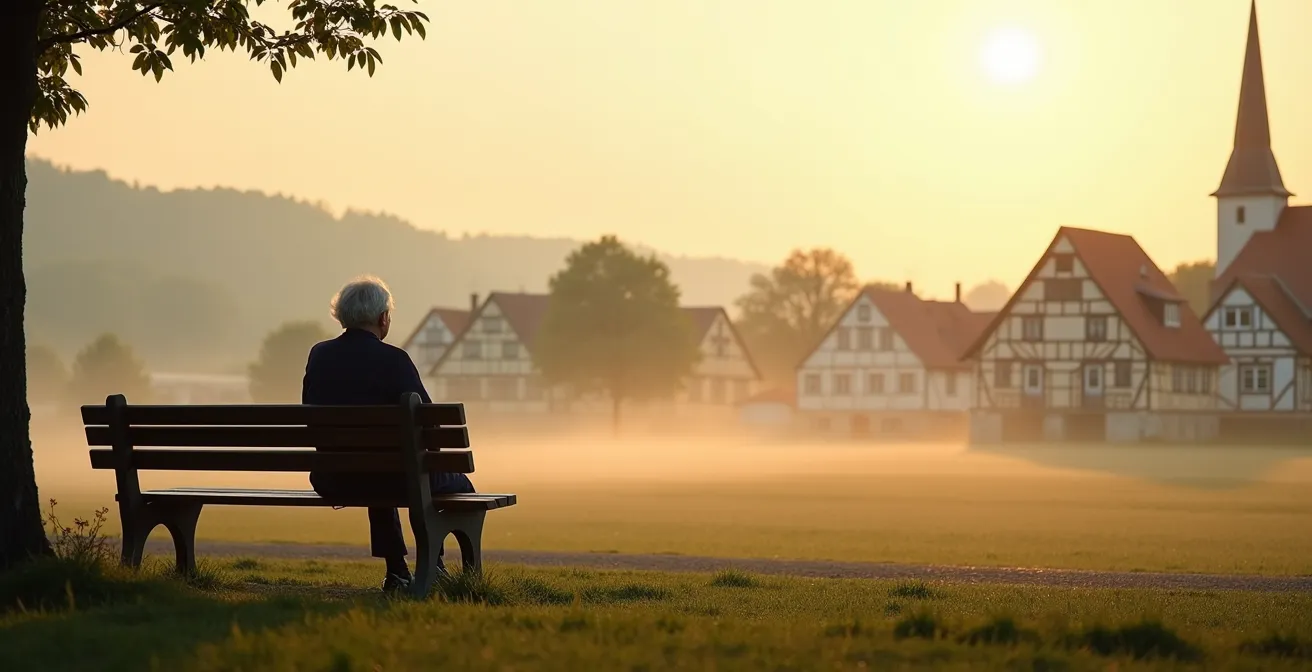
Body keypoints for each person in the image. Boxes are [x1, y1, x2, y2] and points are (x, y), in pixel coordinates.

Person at [301, 275, 475, 593]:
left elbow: (309, 412)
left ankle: (396, 572)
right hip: (394, 476)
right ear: (383, 318)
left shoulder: (319, 355)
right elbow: (430, 426)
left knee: (380, 472)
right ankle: (434, 564)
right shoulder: (395, 360)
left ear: (342, 316)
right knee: (447, 482)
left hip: (334, 478)